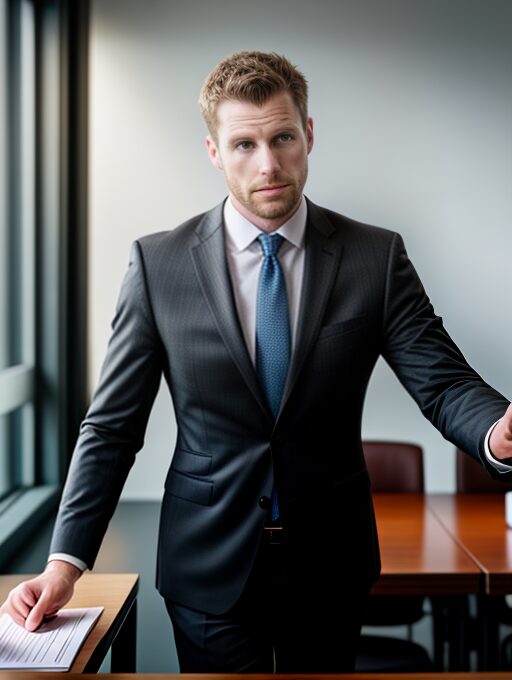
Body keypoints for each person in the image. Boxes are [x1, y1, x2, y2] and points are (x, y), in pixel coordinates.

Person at [2, 51, 512, 673]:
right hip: (206, 563)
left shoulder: (374, 258)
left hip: (331, 560)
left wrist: (496, 430)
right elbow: (111, 427)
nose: (268, 164)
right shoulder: (158, 266)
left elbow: (444, 381)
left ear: (309, 135)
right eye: (244, 144)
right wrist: (64, 564)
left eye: (282, 138)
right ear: (214, 151)